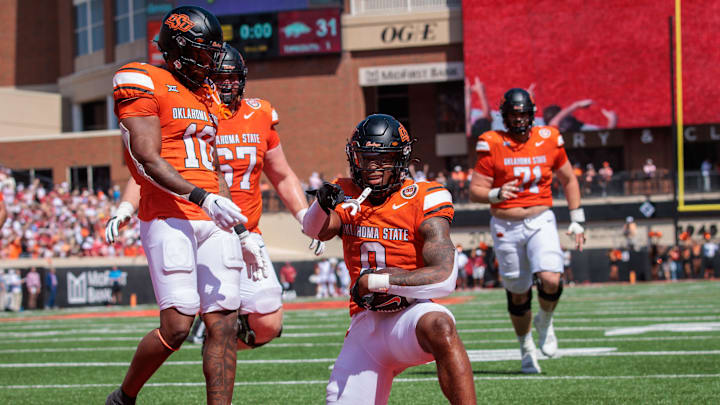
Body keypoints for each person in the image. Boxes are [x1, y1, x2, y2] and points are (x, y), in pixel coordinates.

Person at [104, 7, 248, 405]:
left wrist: (241, 230)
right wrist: (202, 197)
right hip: (169, 214)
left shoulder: (207, 94)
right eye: (205, 52)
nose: (212, 62)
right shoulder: (142, 79)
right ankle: (124, 396)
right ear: (180, 49)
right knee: (178, 325)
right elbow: (147, 159)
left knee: (224, 321)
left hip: (213, 217)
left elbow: (213, 166)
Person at [304, 114, 476, 404]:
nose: (372, 167)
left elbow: (445, 277)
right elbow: (314, 230)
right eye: (365, 157)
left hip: (409, 317)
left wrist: (378, 281)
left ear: (400, 158)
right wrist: (321, 203)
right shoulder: (347, 192)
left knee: (441, 326)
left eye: (382, 158)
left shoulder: (424, 195)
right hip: (366, 324)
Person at [469, 88, 586, 374]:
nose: (519, 119)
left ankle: (545, 322)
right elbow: (475, 191)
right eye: (513, 114)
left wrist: (577, 218)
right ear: (505, 116)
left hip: (540, 218)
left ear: (532, 114)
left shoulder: (549, 139)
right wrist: (496, 193)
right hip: (505, 224)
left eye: (523, 114)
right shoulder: (492, 142)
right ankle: (526, 347)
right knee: (518, 293)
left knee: (550, 278)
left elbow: (569, 179)